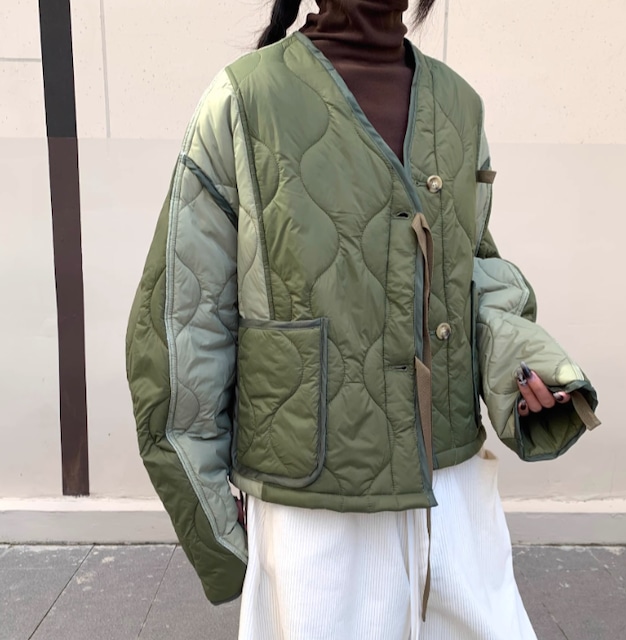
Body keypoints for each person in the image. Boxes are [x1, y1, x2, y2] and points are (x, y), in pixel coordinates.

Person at [126, 1, 600, 638]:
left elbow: (471, 269)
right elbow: (185, 316)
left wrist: (525, 364)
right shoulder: (245, 97)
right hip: (311, 498)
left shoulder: (458, 104)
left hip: (450, 486)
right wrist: (207, 498)